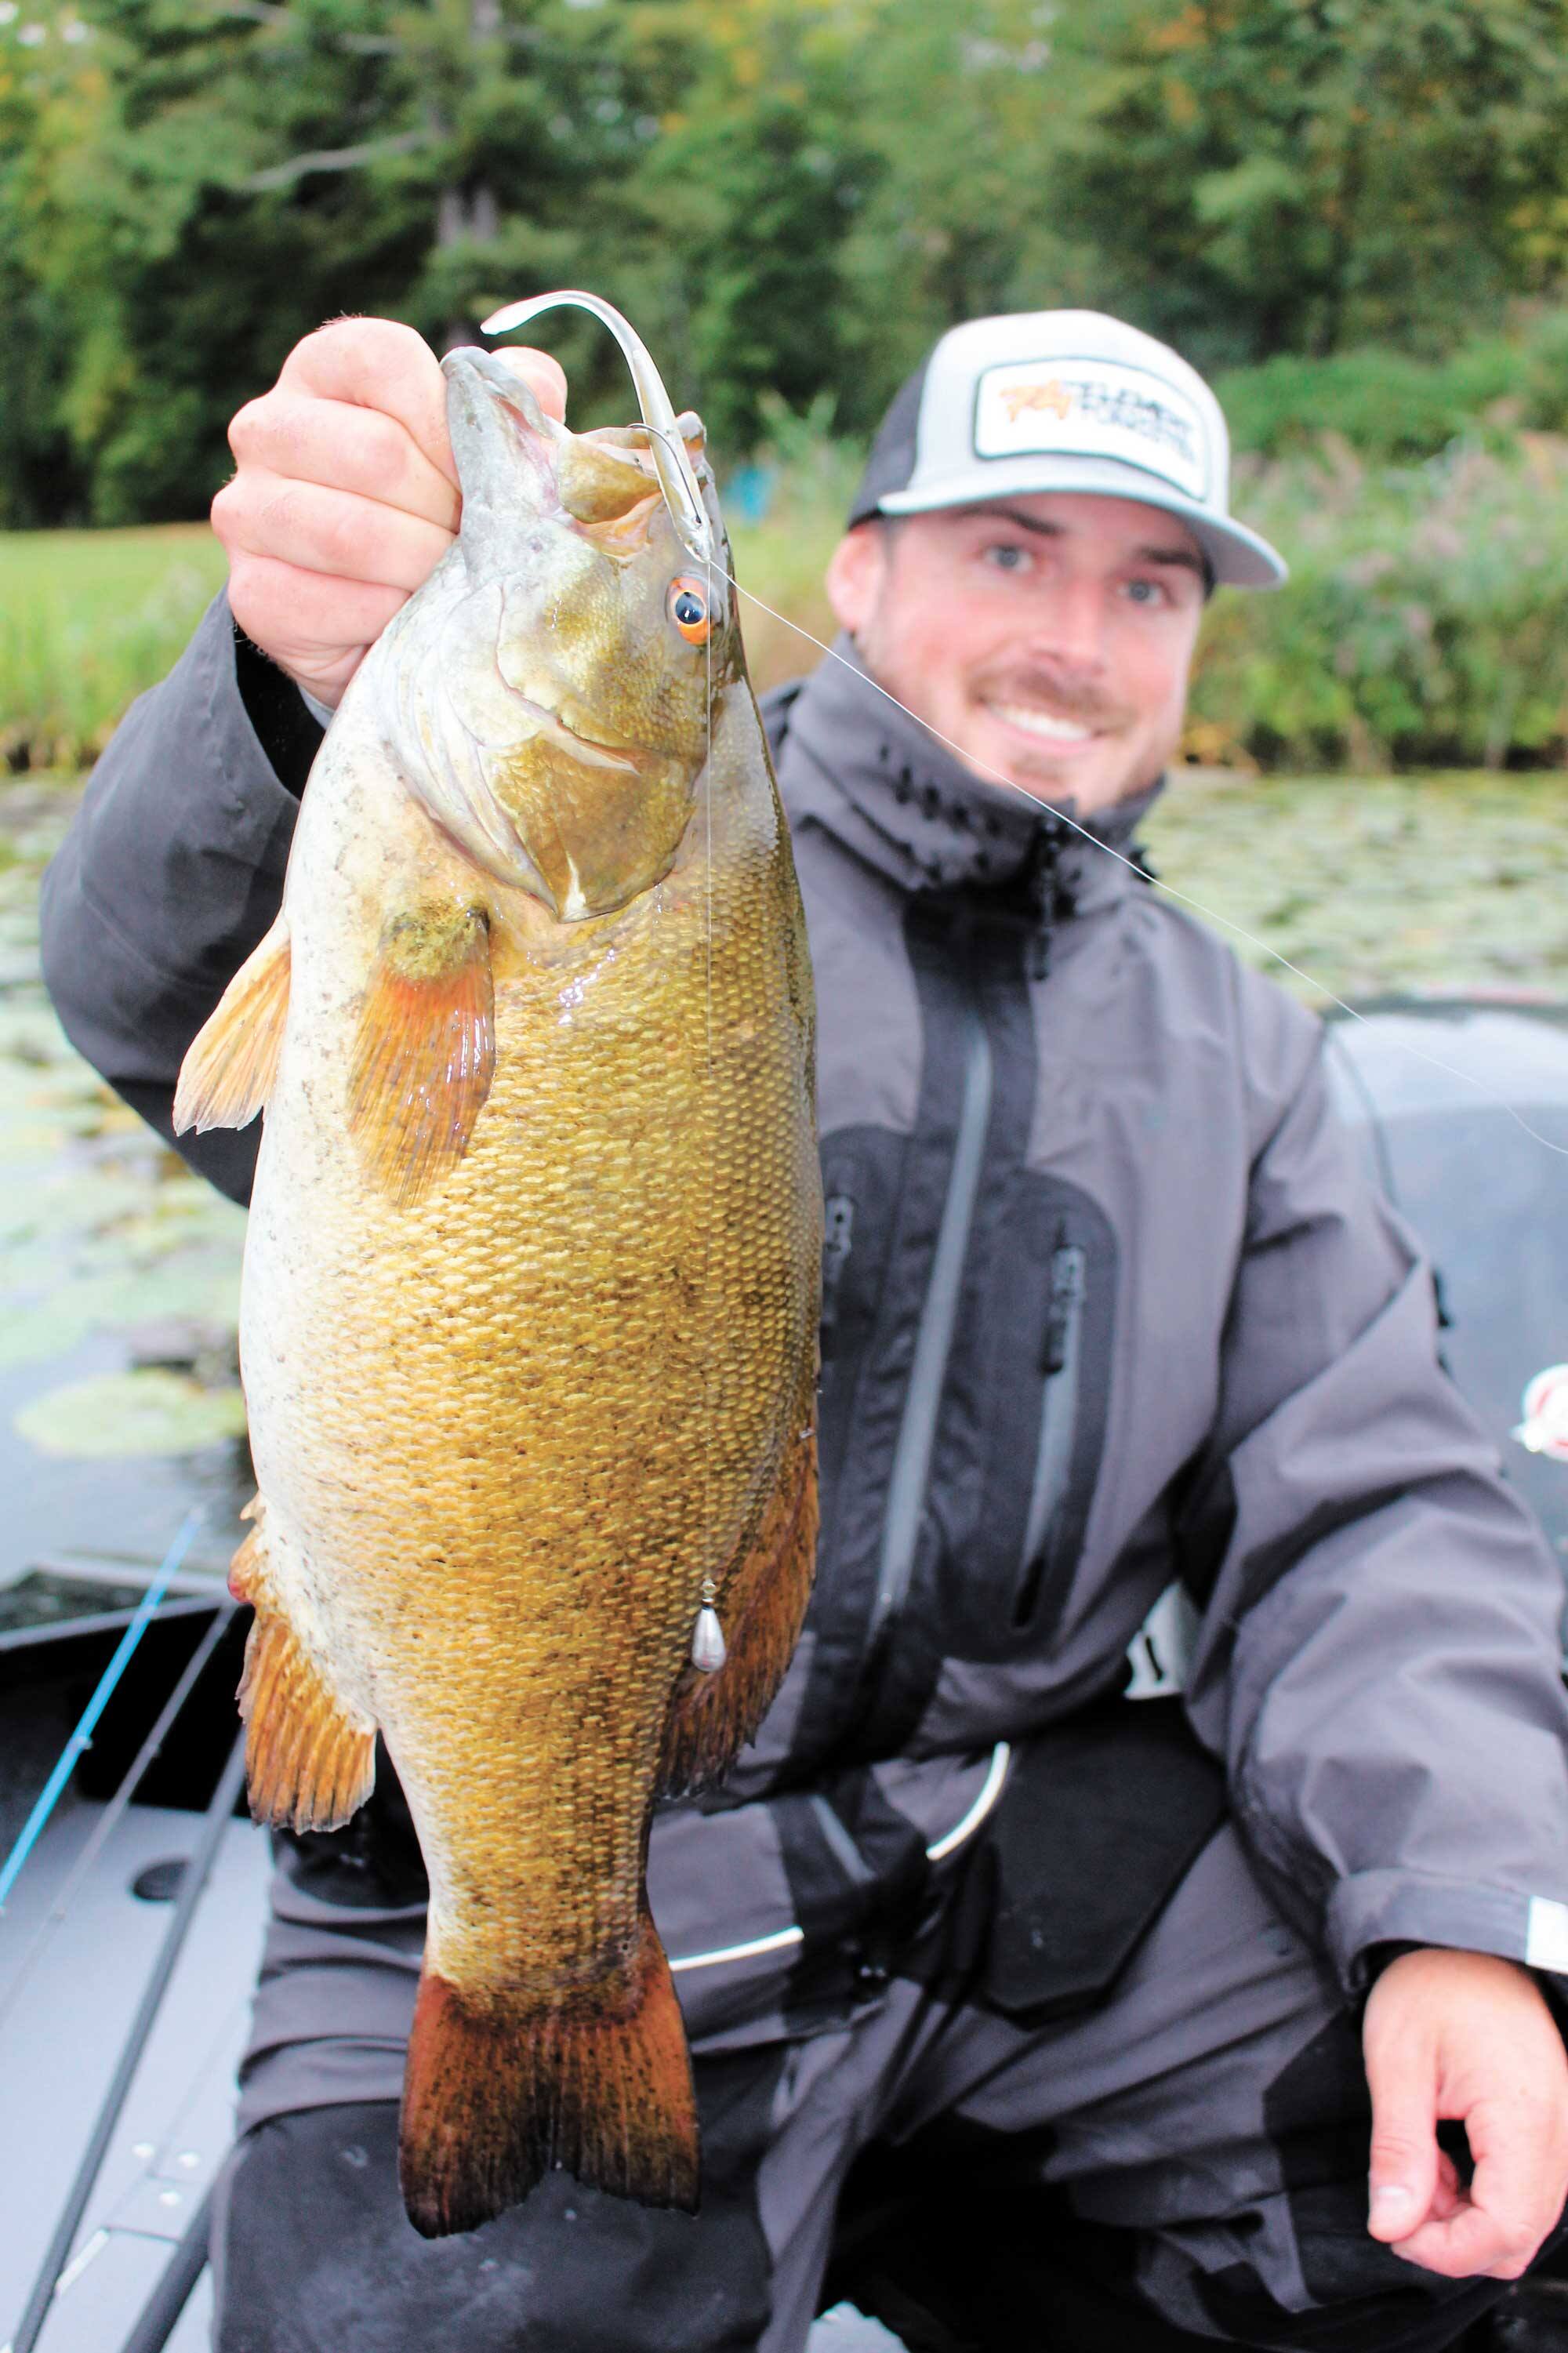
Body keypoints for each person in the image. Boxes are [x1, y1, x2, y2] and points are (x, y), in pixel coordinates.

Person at [38, 307, 1568, 2353]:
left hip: (1010, 1860)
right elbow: (150, 992)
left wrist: (1463, 1916)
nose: (1076, 636)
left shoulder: (1248, 1054)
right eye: (1009, 551)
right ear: (854, 573)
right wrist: (287, 691)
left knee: (1477, 2202)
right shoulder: (550, 835)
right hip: (516, 1821)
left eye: (1150, 584)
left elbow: (1373, 1507)